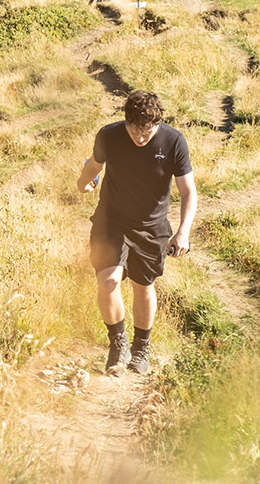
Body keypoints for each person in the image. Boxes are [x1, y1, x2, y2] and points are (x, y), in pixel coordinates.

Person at [76, 90, 197, 377]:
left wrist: (183, 232)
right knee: (107, 282)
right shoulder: (109, 135)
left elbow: (188, 191)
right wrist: (83, 182)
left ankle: (141, 347)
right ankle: (118, 344)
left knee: (143, 286)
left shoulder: (173, 141)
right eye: (134, 130)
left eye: (147, 131)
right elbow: (95, 164)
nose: (141, 137)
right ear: (126, 121)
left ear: (157, 124)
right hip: (111, 220)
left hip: (151, 226)